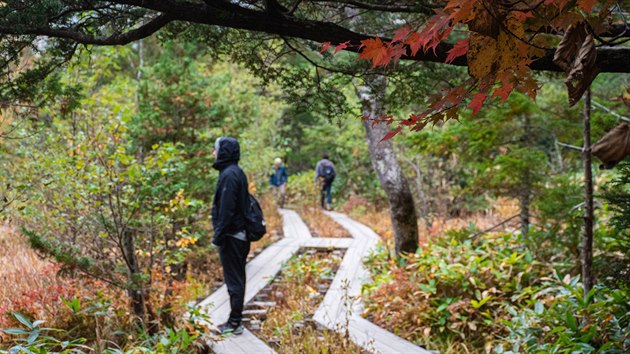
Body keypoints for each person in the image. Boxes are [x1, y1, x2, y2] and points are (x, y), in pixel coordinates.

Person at [211, 137, 250, 336]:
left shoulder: (229, 175)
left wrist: (217, 237)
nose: (213, 153)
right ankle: (236, 320)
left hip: (232, 236)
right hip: (239, 235)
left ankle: (234, 323)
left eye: (215, 149)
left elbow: (226, 210)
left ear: (223, 151)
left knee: (234, 280)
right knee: (238, 278)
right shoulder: (236, 172)